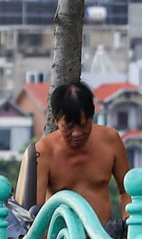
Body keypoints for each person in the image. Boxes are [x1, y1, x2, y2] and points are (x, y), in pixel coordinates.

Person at [33, 80, 131, 228]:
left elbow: (127, 191)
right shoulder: (43, 151)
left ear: (92, 117)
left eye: (84, 125)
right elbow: (35, 208)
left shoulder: (110, 140)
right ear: (56, 121)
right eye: (69, 127)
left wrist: (128, 224)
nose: (77, 133)